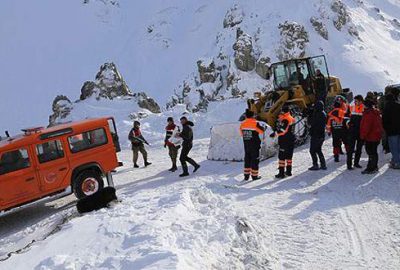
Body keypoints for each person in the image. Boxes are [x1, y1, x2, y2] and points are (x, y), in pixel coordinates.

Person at [240, 109, 265, 181]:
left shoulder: (242, 124)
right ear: (252, 116)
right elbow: (261, 131)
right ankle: (254, 176)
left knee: (247, 159)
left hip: (246, 145)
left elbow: (242, 134)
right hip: (254, 145)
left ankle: (246, 176)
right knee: (254, 160)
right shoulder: (255, 123)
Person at [360, 99, 383, 174]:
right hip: (376, 135)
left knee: (370, 152)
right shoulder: (375, 112)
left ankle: (371, 168)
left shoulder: (368, 114)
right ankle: (374, 166)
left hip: (370, 136)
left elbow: (367, 126)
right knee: (374, 152)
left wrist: (362, 136)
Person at [273, 104, 295, 178]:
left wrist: (275, 134)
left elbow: (283, 130)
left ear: (283, 111)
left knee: (282, 157)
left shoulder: (285, 119)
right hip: (291, 139)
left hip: (285, 140)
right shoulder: (291, 118)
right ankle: (289, 172)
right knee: (289, 157)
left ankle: (281, 173)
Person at [382, 93, 400, 169]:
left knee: (393, 148)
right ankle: (395, 160)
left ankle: (397, 163)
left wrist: (386, 129)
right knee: (398, 147)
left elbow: (384, 120)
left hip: (391, 131)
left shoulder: (387, 107)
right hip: (399, 130)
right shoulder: (398, 105)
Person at [347, 95, 364, 169]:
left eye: (356, 101)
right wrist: (349, 123)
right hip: (352, 131)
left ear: (360, 101)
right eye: (354, 101)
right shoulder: (352, 107)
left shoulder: (364, 108)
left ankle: (356, 163)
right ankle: (349, 165)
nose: (355, 102)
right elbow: (347, 117)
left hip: (360, 132)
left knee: (359, 149)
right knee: (351, 149)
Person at [309, 101, 327, 170]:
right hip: (321, 135)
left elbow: (312, 123)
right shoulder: (323, 113)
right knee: (318, 150)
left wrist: (310, 115)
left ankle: (315, 165)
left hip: (316, 135)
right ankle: (323, 164)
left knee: (312, 150)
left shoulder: (318, 114)